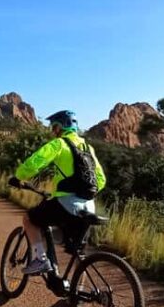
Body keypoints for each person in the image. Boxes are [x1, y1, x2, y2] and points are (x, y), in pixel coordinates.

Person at [9, 110, 106, 296]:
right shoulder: (88, 148)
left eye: (53, 127)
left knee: (29, 219)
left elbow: (33, 163)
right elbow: (101, 181)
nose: (52, 131)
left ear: (59, 127)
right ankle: (78, 295)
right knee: (79, 253)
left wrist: (18, 176)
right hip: (88, 205)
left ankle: (40, 259)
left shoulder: (59, 144)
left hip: (66, 203)